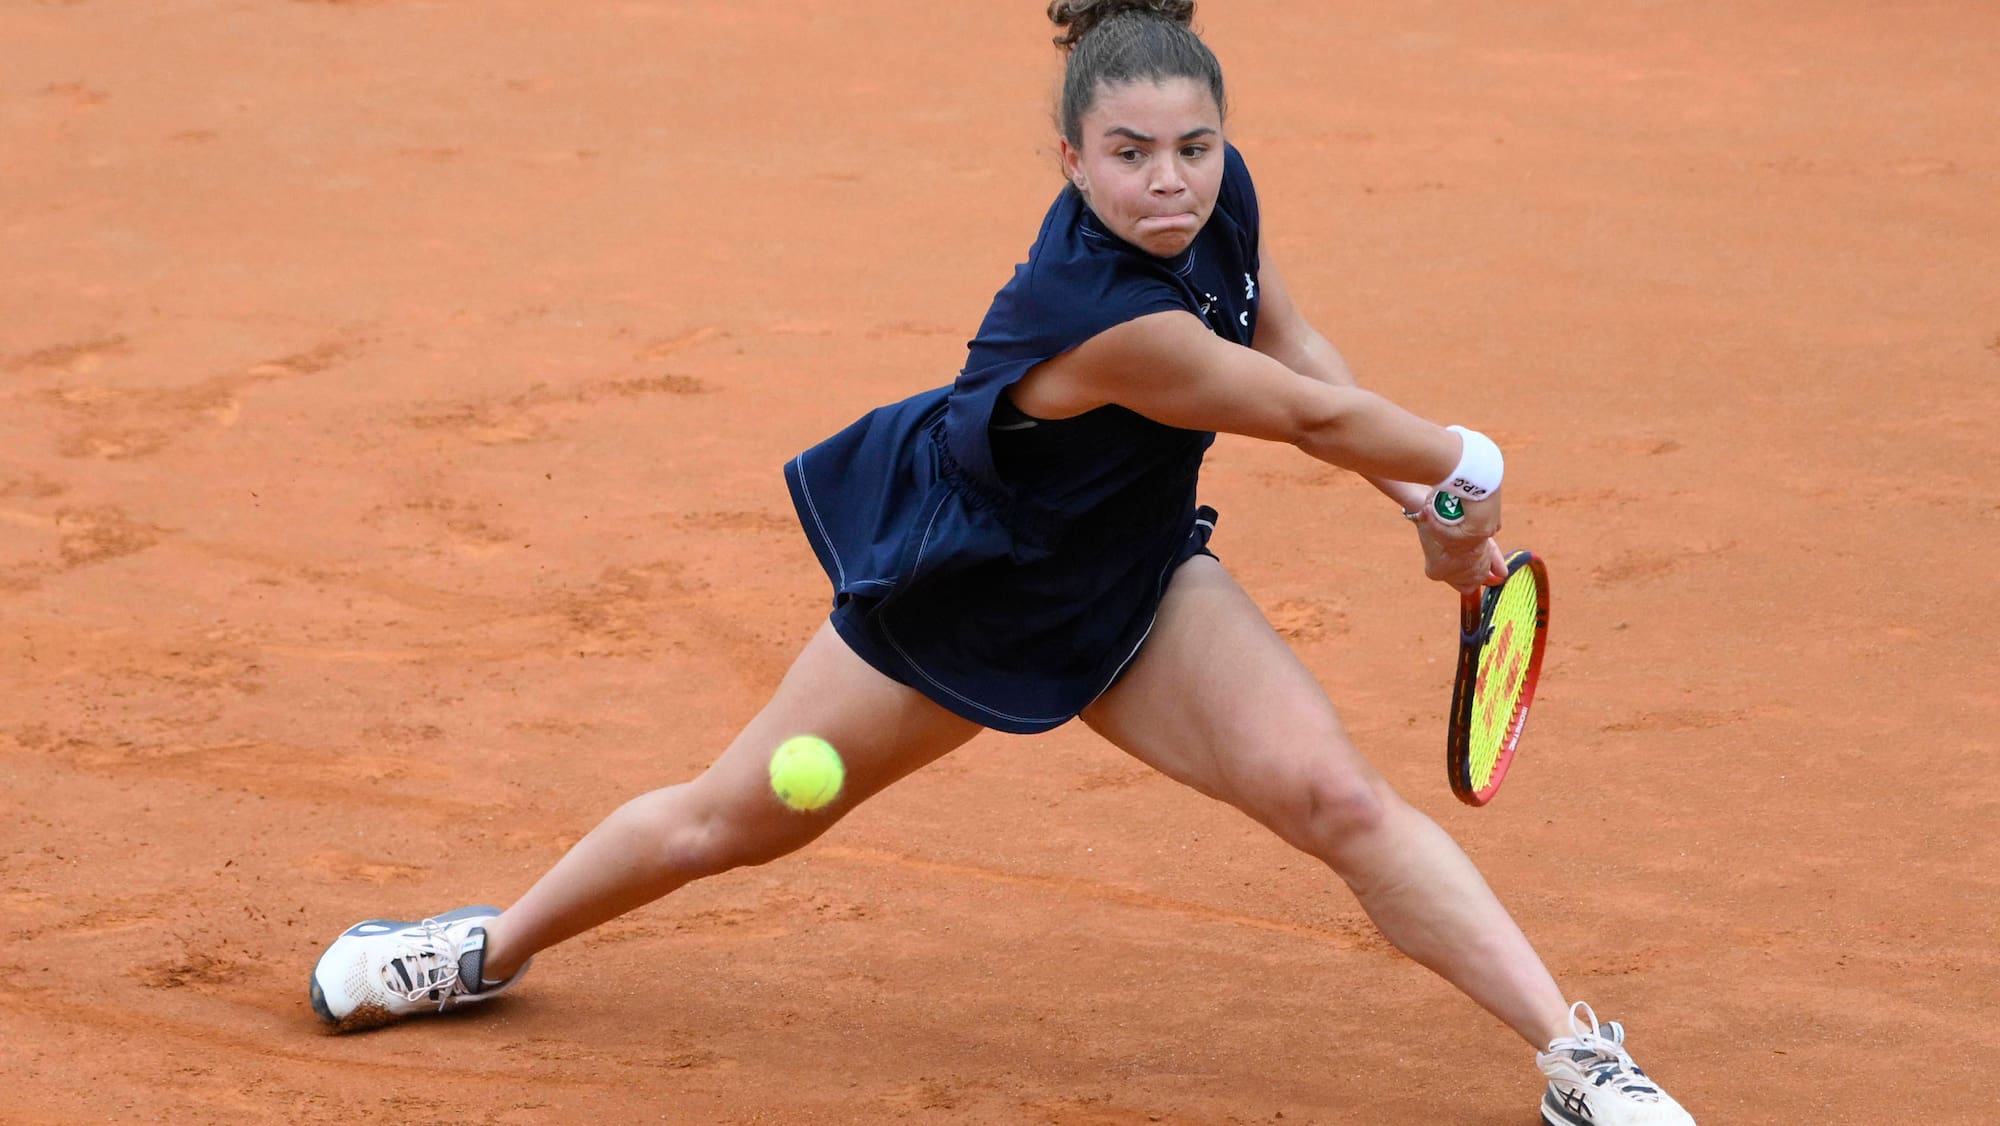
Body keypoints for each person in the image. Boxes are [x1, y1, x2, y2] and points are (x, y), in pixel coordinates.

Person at [307, 3, 1697, 1123]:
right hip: (971, 592)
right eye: (1131, 154)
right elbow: (1302, 415)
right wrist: (1465, 468)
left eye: (1196, 146)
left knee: (1336, 797)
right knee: (729, 819)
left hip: (1135, 582)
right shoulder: (1100, 316)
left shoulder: (1213, 204)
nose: (1170, 179)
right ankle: (484, 949)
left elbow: (1289, 338)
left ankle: (1577, 1057)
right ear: (1071, 161)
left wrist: (1428, 505)